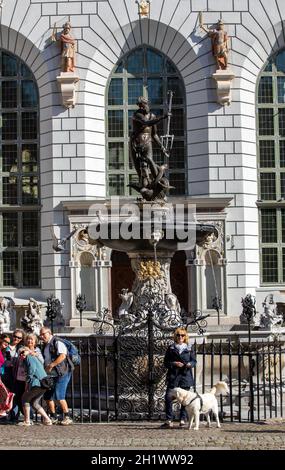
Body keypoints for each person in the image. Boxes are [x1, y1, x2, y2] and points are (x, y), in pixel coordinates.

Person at [129, 97, 172, 200]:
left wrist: (162, 146)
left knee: (151, 163)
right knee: (141, 169)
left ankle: (156, 187)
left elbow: (154, 134)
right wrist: (163, 117)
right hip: (136, 144)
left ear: (147, 104)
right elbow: (146, 123)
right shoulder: (137, 115)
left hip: (148, 143)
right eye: (140, 105)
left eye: (143, 105)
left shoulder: (152, 116)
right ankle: (144, 187)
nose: (142, 107)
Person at [161, 327, 196, 428]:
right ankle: (169, 419)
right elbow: (166, 362)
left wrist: (190, 364)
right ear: (175, 336)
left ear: (185, 337)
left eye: (182, 335)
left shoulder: (189, 348)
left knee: (185, 400)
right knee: (168, 397)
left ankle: (182, 419)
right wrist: (174, 363)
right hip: (173, 376)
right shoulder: (171, 348)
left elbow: (194, 361)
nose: (180, 337)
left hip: (185, 376)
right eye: (178, 335)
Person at [39, 327, 73, 425]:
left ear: (49, 333)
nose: (41, 336)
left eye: (43, 334)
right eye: (40, 335)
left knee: (59, 395)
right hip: (51, 374)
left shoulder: (57, 342)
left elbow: (63, 355)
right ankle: (53, 417)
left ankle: (67, 416)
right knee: (48, 396)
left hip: (62, 372)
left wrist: (52, 365)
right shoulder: (45, 345)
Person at [17, 348, 52, 426]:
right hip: (43, 384)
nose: (21, 354)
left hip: (37, 383)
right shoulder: (33, 357)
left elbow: (32, 369)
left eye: (23, 352)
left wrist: (28, 380)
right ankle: (47, 419)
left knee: (24, 399)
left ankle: (27, 421)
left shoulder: (29, 357)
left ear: (27, 351)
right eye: (20, 353)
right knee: (34, 403)